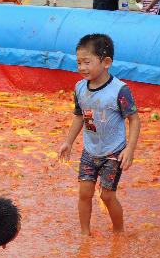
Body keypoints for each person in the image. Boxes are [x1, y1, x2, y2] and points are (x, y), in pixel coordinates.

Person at [58, 34, 140, 236]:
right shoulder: (79, 88)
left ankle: (119, 232)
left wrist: (129, 149)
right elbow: (79, 116)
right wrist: (68, 142)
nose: (81, 67)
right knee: (84, 193)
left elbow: (134, 120)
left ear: (106, 62)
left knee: (107, 196)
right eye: (78, 63)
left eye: (87, 62)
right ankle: (84, 234)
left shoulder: (119, 90)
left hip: (113, 152)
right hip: (90, 149)